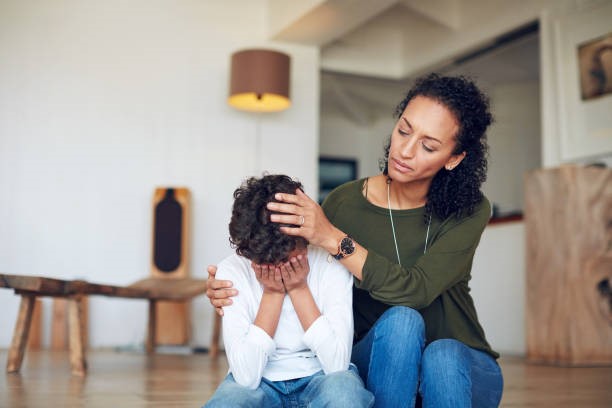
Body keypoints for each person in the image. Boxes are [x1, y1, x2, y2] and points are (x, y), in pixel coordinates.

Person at [207, 73, 503, 407]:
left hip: (457, 366)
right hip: (380, 360)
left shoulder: (470, 209)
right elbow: (291, 263)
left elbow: (415, 291)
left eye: (428, 146)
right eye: (404, 130)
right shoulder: (344, 202)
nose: (404, 150)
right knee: (400, 324)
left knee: (443, 355)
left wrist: (333, 238)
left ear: (454, 158)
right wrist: (235, 284)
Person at [204, 175, 374, 408]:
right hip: (261, 383)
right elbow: (246, 377)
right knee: (229, 401)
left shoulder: (330, 262)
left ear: (304, 237)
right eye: (267, 262)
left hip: (320, 377)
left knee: (344, 393)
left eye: (287, 259)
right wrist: (272, 294)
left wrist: (298, 288)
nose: (278, 268)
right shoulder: (232, 271)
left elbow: (336, 365)